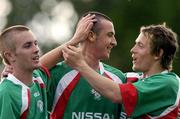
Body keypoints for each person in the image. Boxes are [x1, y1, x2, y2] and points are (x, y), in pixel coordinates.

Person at [62, 24, 180, 118]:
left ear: (158, 53)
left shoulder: (168, 84)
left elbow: (115, 93)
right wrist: (77, 40)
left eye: (140, 45)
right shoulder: (132, 79)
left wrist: (80, 65)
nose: (132, 50)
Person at [0, 14, 95, 119]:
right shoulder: (7, 92)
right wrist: (75, 39)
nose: (36, 49)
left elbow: (46, 61)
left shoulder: (37, 79)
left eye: (35, 44)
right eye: (27, 46)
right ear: (10, 56)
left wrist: (75, 40)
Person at [39, 11, 126, 119]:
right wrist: (74, 40)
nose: (114, 42)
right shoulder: (59, 73)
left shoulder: (118, 77)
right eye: (110, 35)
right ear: (91, 35)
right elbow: (31, 71)